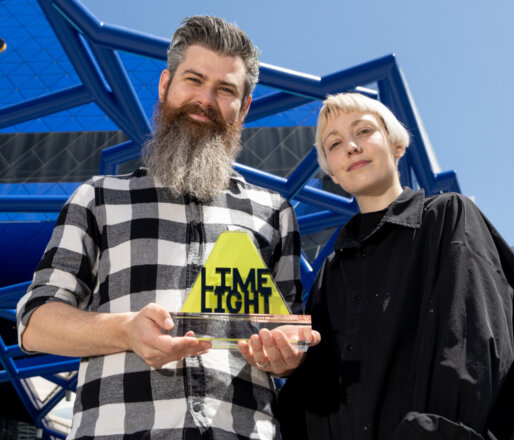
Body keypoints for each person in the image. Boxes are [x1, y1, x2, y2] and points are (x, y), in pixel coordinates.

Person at [17, 16, 319, 439]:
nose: (205, 100)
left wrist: (286, 355)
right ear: (165, 85)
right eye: (193, 80)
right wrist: (125, 330)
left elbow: (280, 335)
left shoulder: (272, 211)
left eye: (226, 90)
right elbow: (35, 324)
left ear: (244, 107)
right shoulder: (99, 197)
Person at [278, 92, 514, 439]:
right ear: (331, 171)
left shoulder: (449, 217)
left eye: (363, 131)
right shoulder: (330, 275)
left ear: (397, 145)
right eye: (334, 144)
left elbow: (472, 347)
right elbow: (313, 394)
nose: (350, 146)